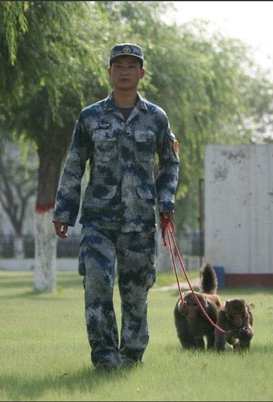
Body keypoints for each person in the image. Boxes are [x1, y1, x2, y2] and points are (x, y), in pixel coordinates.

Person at [52, 43, 180, 370]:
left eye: (131, 65)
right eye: (118, 65)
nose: (124, 71)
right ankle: (105, 358)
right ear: (109, 72)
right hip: (98, 222)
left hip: (140, 224)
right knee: (97, 285)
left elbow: (170, 164)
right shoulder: (90, 117)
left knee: (136, 295)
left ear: (142, 73)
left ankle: (132, 357)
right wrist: (64, 210)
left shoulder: (156, 118)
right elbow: (74, 164)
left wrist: (166, 203)